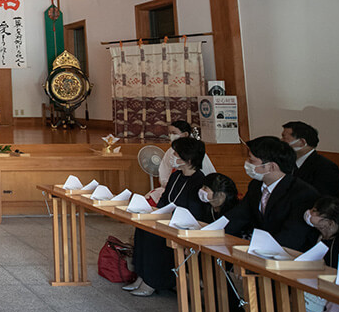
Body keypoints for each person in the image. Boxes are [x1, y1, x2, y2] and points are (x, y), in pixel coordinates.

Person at [126, 137, 210, 297]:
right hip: (168, 219)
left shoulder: (199, 180)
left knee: (154, 237)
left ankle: (152, 281)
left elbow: (195, 210)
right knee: (142, 229)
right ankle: (142, 275)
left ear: (188, 159)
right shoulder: (176, 176)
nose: (172, 157)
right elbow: (165, 200)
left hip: (185, 225)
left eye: (176, 154)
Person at [225, 136, 320, 252]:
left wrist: (259, 250)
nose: (247, 163)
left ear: (272, 166)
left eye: (252, 160)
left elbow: (293, 236)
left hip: (289, 255)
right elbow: (238, 216)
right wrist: (215, 232)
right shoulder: (255, 185)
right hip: (260, 250)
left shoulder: (302, 194)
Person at [149, 121, 215, 201]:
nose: (171, 136)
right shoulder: (175, 176)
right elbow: (164, 173)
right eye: (169, 133)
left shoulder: (199, 180)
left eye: (174, 133)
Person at [281, 121, 339, 197]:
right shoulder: (287, 162)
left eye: (284, 138)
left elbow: (323, 199)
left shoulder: (325, 167)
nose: (281, 141)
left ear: (302, 142)